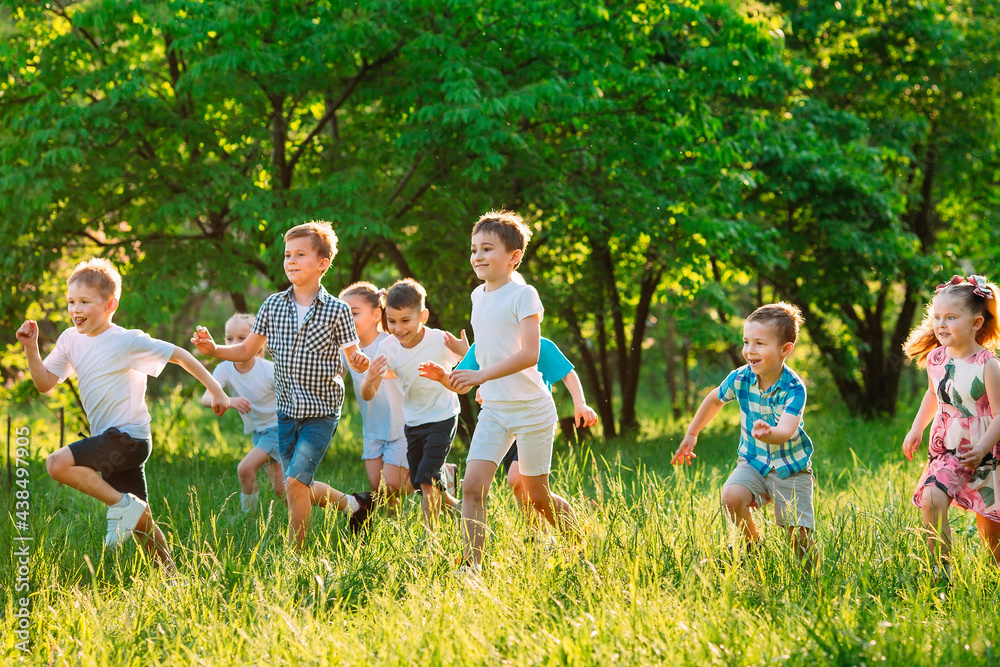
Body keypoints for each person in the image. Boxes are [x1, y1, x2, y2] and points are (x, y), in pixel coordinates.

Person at [16, 258, 231, 571]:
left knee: (56, 463)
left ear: (110, 304)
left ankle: (122, 505)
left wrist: (217, 391)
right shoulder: (69, 339)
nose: (75, 309)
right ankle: (172, 577)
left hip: (129, 438)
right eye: (71, 301)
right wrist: (31, 348)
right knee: (142, 521)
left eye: (85, 302)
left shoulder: (127, 340)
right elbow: (44, 383)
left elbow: (181, 355)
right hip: (111, 441)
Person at [192, 221, 373, 549]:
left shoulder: (338, 311)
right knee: (295, 486)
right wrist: (214, 350)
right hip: (286, 414)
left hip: (321, 413)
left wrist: (359, 361)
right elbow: (247, 349)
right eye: (287, 254)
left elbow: (352, 354)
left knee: (292, 483)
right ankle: (356, 505)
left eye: (300, 254)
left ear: (322, 263)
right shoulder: (273, 306)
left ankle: (295, 557)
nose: (290, 260)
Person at [445, 210, 584, 575]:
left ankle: (580, 551)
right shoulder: (478, 296)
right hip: (494, 409)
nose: (477, 256)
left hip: (533, 410)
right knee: (473, 488)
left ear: (514, 256)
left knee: (537, 497)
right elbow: (489, 345)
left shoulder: (525, 295)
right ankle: (472, 567)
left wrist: (481, 375)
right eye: (474, 248)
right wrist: (469, 374)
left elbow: (529, 354)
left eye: (487, 248)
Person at [671, 302, 816, 568]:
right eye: (746, 341)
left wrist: (769, 433)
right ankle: (753, 546)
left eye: (760, 343)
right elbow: (714, 399)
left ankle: (810, 580)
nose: (749, 350)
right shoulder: (740, 377)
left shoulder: (795, 388)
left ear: (785, 350)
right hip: (753, 460)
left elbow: (785, 431)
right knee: (731, 496)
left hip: (790, 468)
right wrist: (692, 433)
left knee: (798, 538)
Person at [437, 330, 597, 528]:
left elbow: (568, 373)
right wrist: (459, 370)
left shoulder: (538, 345)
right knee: (516, 483)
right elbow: (471, 375)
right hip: (500, 420)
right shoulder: (485, 345)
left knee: (522, 481)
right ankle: (535, 534)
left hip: (533, 420)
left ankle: (569, 536)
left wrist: (580, 404)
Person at [901, 275, 1000, 581]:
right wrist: (916, 428)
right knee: (932, 499)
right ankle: (940, 573)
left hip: (986, 450)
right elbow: (933, 394)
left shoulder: (988, 364)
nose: (941, 324)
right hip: (947, 447)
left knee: (991, 529)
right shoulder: (936, 358)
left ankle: (996, 574)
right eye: (937, 317)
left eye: (951, 317)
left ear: (976, 323)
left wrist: (983, 447)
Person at [360, 278, 462, 528]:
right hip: (413, 421)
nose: (398, 328)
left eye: (406, 320)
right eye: (391, 321)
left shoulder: (440, 340)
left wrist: (465, 349)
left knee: (426, 480)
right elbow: (367, 394)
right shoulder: (388, 347)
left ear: (423, 316)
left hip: (442, 415)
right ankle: (454, 502)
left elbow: (469, 374)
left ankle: (432, 541)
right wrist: (370, 378)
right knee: (419, 481)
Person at [200, 313, 284, 513]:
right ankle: (301, 517)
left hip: (278, 429)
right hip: (259, 432)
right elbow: (205, 399)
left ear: (258, 342)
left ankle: (247, 516)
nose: (234, 343)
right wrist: (228, 400)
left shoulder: (269, 369)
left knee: (245, 469)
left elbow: (292, 397)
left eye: (242, 338)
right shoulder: (225, 369)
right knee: (282, 489)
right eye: (229, 339)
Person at [339, 282, 413, 505]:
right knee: (377, 486)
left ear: (375, 315)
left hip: (400, 424)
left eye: (353, 313)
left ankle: (439, 475)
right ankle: (393, 519)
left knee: (393, 484)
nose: (347, 321)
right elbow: (335, 379)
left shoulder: (390, 343)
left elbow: (396, 372)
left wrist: (371, 368)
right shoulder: (347, 350)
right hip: (373, 426)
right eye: (343, 316)